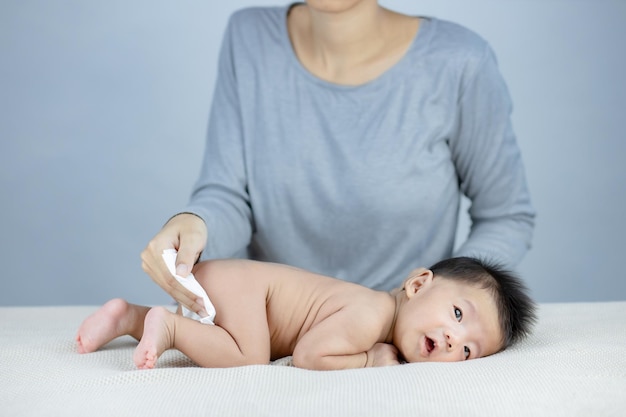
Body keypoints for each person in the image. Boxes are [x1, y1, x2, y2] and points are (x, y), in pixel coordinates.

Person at [141, 1, 536, 318]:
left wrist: (433, 310)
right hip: (276, 337)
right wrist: (193, 225)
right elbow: (228, 195)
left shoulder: (461, 62)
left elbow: (506, 217)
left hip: (404, 353)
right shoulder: (249, 38)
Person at [76, 257, 536, 370]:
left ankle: (127, 317)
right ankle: (170, 327)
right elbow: (310, 355)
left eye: (471, 350)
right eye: (458, 313)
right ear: (417, 285)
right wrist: (369, 360)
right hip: (243, 289)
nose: (456, 340)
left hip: (226, 284)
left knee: (241, 340)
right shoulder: (372, 313)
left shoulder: (375, 311)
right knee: (249, 357)